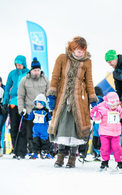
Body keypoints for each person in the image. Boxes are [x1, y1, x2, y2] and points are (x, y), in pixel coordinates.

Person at [47, 36, 98, 168]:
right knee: (63, 129)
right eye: (78, 50)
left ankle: (72, 157)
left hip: (79, 101)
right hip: (63, 100)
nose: (80, 53)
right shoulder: (62, 58)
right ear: (72, 48)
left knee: (76, 130)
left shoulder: (87, 62)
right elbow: (55, 77)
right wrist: (51, 94)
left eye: (82, 51)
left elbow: (89, 82)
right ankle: (60, 156)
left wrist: (93, 99)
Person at [17, 57, 49, 159]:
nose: (37, 72)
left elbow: (50, 95)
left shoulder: (45, 79)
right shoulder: (24, 80)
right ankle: (33, 151)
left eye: (38, 70)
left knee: (44, 133)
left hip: (43, 113)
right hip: (31, 111)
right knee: (31, 133)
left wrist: (50, 110)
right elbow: (20, 96)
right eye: (35, 70)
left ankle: (44, 151)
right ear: (31, 70)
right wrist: (21, 110)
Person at [105, 49, 122, 160]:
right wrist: (121, 101)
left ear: (116, 58)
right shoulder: (115, 72)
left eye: (111, 61)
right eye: (108, 62)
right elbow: (119, 87)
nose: (110, 64)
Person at [90, 92, 122, 170]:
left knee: (116, 147)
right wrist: (95, 112)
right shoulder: (101, 108)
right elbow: (96, 118)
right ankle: (105, 162)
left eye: (115, 105)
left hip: (115, 132)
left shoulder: (117, 107)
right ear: (107, 103)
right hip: (105, 132)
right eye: (112, 106)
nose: (114, 107)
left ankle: (120, 162)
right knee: (105, 148)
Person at [3, 55, 30, 158]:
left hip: (23, 104)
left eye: (20, 64)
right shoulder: (12, 74)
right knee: (14, 127)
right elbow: (7, 88)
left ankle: (22, 151)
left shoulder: (28, 74)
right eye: (17, 65)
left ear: (24, 64)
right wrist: (5, 102)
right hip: (13, 103)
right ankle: (15, 150)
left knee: (22, 128)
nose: (18, 66)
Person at [78, 86, 104, 162]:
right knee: (97, 140)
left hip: (96, 124)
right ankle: (97, 154)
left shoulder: (96, 100)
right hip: (97, 125)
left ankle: (94, 153)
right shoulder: (101, 100)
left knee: (95, 140)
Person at [24, 94, 52, 159]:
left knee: (44, 141)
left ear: (44, 104)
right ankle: (35, 152)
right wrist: (26, 116)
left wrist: (51, 114)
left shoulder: (46, 111)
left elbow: (50, 118)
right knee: (35, 141)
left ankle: (44, 152)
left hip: (44, 129)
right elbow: (30, 117)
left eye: (40, 104)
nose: (38, 106)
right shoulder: (34, 111)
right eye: (37, 104)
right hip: (36, 129)